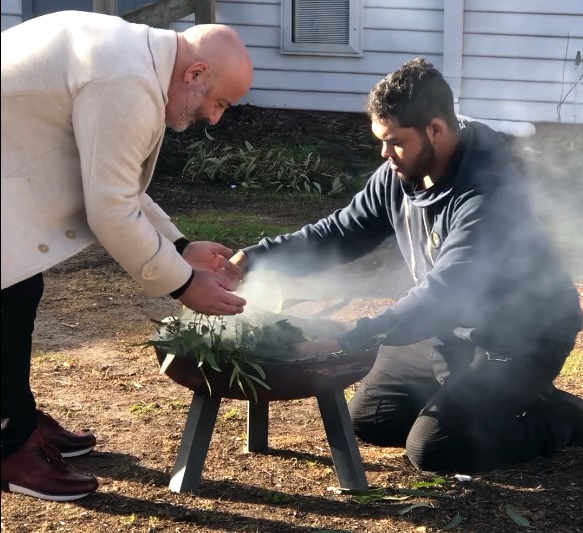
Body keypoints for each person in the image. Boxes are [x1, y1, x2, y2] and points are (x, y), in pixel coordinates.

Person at [231, 58, 583, 474]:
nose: (385, 153)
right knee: (373, 418)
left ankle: (562, 418)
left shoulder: (489, 192)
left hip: (518, 338)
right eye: (381, 140)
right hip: (449, 330)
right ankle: (474, 395)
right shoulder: (401, 173)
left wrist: (350, 336)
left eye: (396, 141)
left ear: (435, 129)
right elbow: (341, 232)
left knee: (437, 449)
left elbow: (444, 295)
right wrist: (254, 257)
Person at [1, 11, 253, 501]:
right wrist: (182, 283)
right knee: (8, 292)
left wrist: (181, 248)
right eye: (219, 103)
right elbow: (111, 210)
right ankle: (9, 444)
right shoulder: (128, 79)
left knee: (19, 286)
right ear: (196, 74)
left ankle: (18, 415)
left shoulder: (136, 58)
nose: (214, 118)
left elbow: (118, 182)